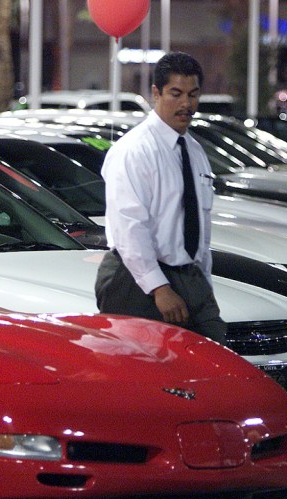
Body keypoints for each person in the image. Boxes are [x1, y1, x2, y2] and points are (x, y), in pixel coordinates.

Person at [95, 51, 226, 344]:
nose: (186, 104)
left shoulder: (193, 151)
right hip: (135, 280)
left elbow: (199, 222)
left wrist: (203, 279)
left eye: (193, 95)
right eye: (175, 94)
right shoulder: (134, 150)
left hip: (188, 275)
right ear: (156, 93)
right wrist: (159, 288)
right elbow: (129, 227)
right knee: (148, 376)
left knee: (213, 357)